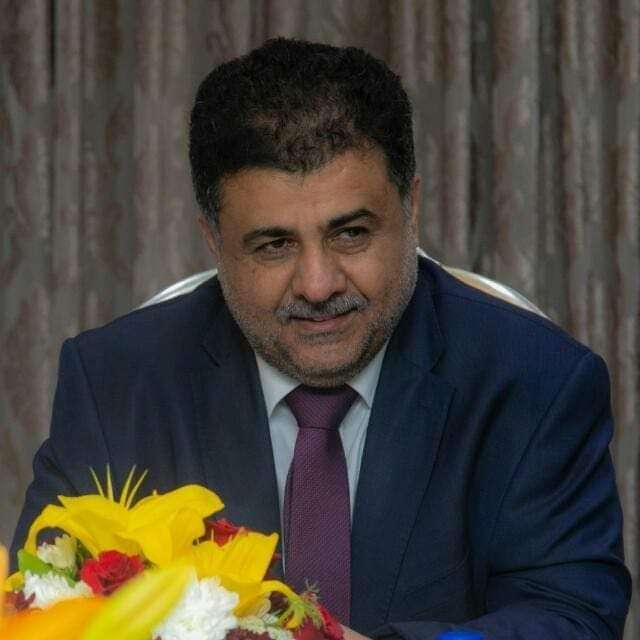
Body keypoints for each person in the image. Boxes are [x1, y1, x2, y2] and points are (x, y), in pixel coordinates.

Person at [12, 38, 630, 639]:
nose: (317, 284)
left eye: (351, 234)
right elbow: (39, 606)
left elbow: (572, 614)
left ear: (411, 208)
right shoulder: (117, 384)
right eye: (274, 245)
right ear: (214, 242)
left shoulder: (535, 382)